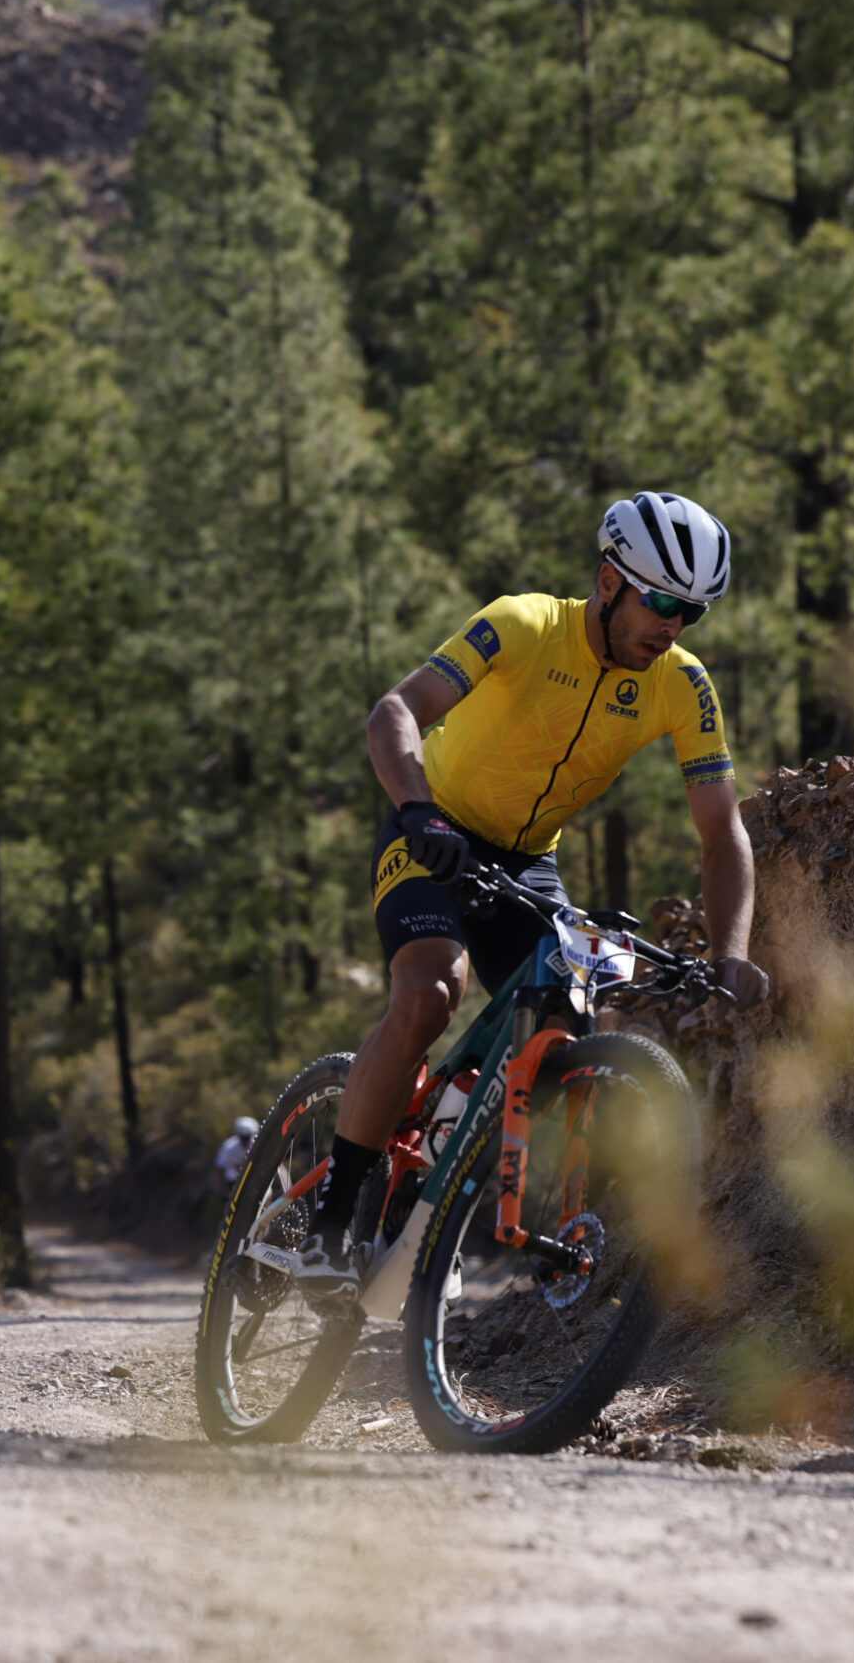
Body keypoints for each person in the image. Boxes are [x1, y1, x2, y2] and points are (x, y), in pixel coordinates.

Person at [291, 491, 772, 1297]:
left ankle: (424, 1195)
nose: (674, 626)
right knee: (430, 993)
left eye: (692, 611)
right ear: (609, 582)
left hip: (528, 861)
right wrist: (416, 810)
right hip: (434, 827)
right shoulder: (523, 624)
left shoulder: (681, 684)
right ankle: (331, 1226)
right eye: (661, 602)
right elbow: (394, 712)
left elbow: (723, 833)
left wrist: (731, 952)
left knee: (559, 1032)